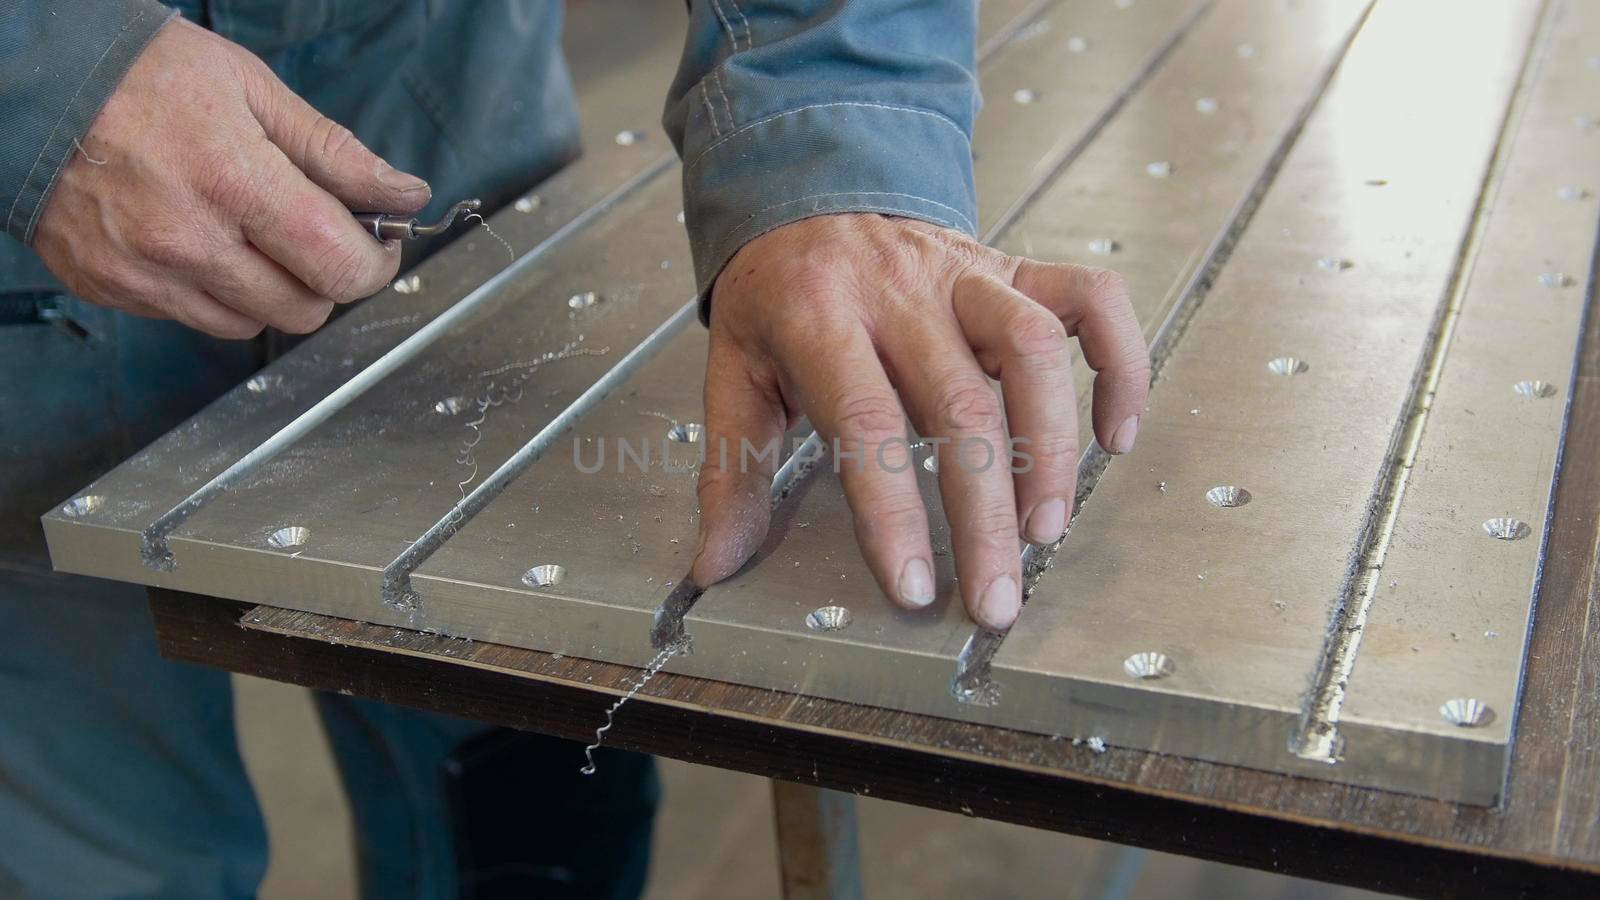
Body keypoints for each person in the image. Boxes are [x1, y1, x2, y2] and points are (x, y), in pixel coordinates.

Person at [0, 1, 1149, 897]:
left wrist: (830, 145)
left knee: (525, 814)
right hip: (22, 269)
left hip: (426, 93)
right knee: (98, 856)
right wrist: (45, 74)